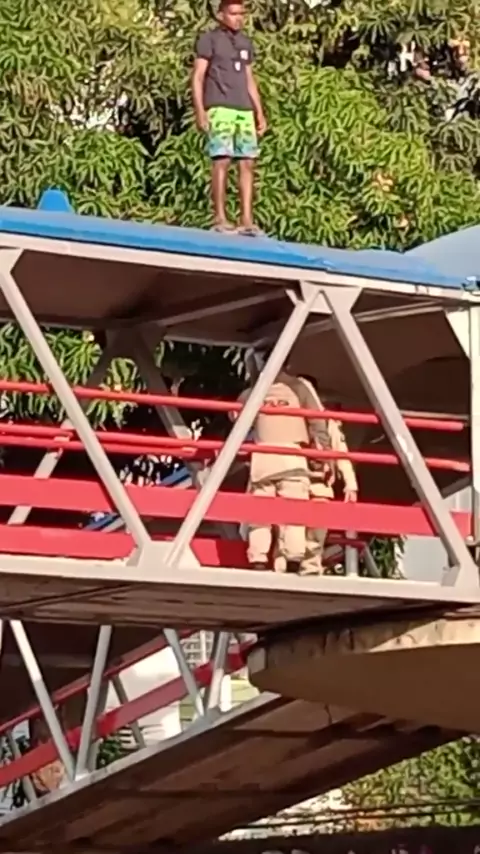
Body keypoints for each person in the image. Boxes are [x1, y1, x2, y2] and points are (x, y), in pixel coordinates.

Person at [192, 0, 267, 235]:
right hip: (219, 106)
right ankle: (220, 218)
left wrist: (259, 111)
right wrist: (200, 111)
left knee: (247, 162)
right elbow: (198, 77)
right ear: (221, 15)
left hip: (243, 109)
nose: (238, 18)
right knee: (222, 159)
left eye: (241, 14)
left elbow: (249, 79)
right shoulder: (209, 40)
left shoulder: (245, 43)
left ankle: (247, 220)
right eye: (233, 14)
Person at [234, 368, 318, 573]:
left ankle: (258, 558)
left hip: (263, 456)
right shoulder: (300, 387)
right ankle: (293, 558)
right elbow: (318, 421)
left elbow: (235, 416)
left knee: (260, 511)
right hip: (293, 456)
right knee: (294, 510)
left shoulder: (254, 391)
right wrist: (321, 456)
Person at [296, 375, 358, 576]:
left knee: (317, 530)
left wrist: (350, 483)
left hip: (320, 483)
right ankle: (282, 568)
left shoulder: (328, 421)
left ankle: (311, 569)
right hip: (293, 480)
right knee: (288, 531)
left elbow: (340, 451)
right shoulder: (288, 417)